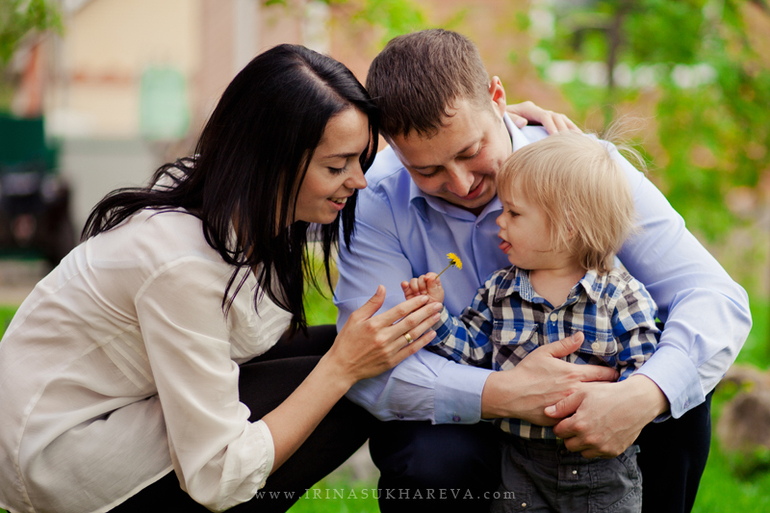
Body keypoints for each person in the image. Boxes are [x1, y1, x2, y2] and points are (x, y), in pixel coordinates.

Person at [0, 44, 446, 513]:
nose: (357, 181)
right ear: (271, 161)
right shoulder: (180, 263)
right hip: (61, 454)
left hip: (120, 407)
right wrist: (342, 369)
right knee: (349, 385)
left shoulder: (241, 203)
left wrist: (494, 127)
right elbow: (216, 476)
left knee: (355, 351)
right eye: (336, 166)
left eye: (361, 161)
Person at [334, 29, 751, 512]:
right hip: (468, 419)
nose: (461, 182)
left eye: (470, 151)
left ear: (497, 97)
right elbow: (366, 366)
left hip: (599, 411)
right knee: (427, 461)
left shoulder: (579, 168)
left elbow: (713, 295)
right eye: (427, 171)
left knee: (680, 401)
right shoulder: (376, 200)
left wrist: (643, 394)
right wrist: (502, 393)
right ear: (395, 148)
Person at [403, 131, 660, 512]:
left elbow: (642, 367)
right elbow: (474, 348)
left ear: (567, 225)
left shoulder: (620, 296)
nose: (498, 223)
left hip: (602, 468)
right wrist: (436, 316)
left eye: (513, 213)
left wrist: (615, 406)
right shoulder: (499, 290)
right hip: (521, 463)